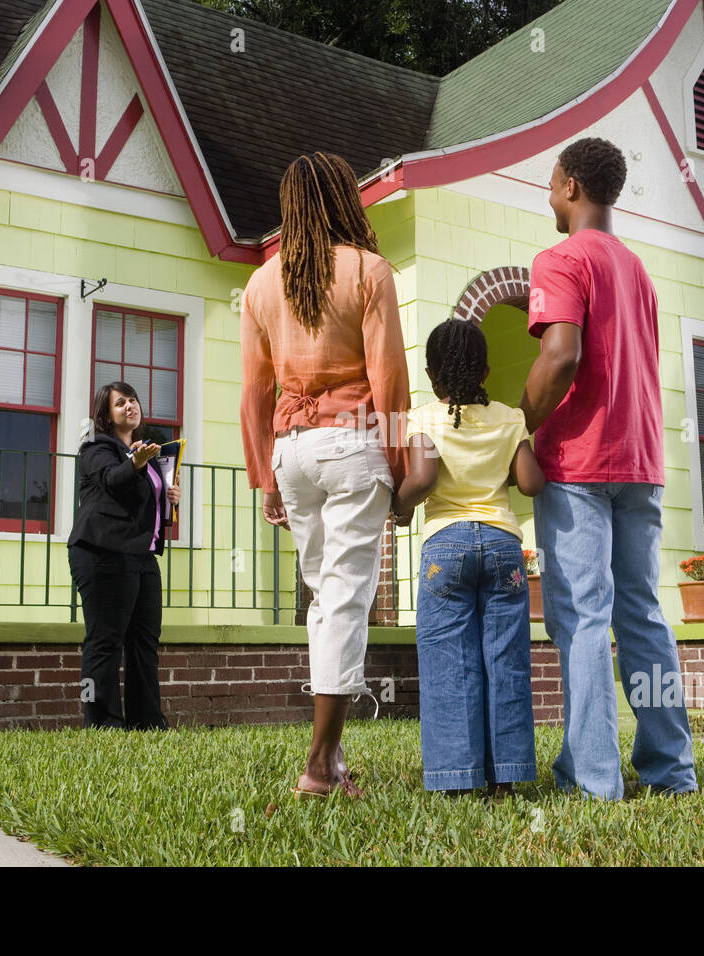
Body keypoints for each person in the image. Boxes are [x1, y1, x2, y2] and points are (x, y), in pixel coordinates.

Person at [519, 137, 697, 800]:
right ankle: (671, 773)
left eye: (549, 181)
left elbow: (560, 354)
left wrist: (520, 422)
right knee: (643, 614)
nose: (547, 194)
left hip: (579, 463)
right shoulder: (638, 270)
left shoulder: (560, 259)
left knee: (585, 617)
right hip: (641, 460)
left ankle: (594, 782)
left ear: (569, 185)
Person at [239, 151, 410, 798]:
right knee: (345, 599)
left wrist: (265, 479)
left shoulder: (260, 285)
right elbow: (389, 382)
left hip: (292, 453)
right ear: (345, 200)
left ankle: (332, 761)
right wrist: (398, 469)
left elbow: (253, 394)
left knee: (322, 598)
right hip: (352, 446)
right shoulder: (368, 271)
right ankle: (317, 764)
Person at [392, 319, 544, 798]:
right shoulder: (509, 417)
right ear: (485, 368)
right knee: (507, 660)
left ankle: (456, 779)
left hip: (446, 545)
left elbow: (422, 481)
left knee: (448, 660)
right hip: (503, 547)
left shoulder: (424, 417)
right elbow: (531, 481)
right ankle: (508, 776)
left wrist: (398, 509)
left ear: (433, 372)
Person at [68, 381, 180, 729]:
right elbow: (112, 480)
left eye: (133, 400)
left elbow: (138, 503)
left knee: (144, 642)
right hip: (101, 554)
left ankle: (147, 721)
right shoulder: (95, 449)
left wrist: (168, 499)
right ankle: (98, 719)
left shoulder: (145, 454)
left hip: (142, 557)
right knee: (103, 641)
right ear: (106, 414)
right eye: (120, 403)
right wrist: (135, 465)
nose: (130, 406)